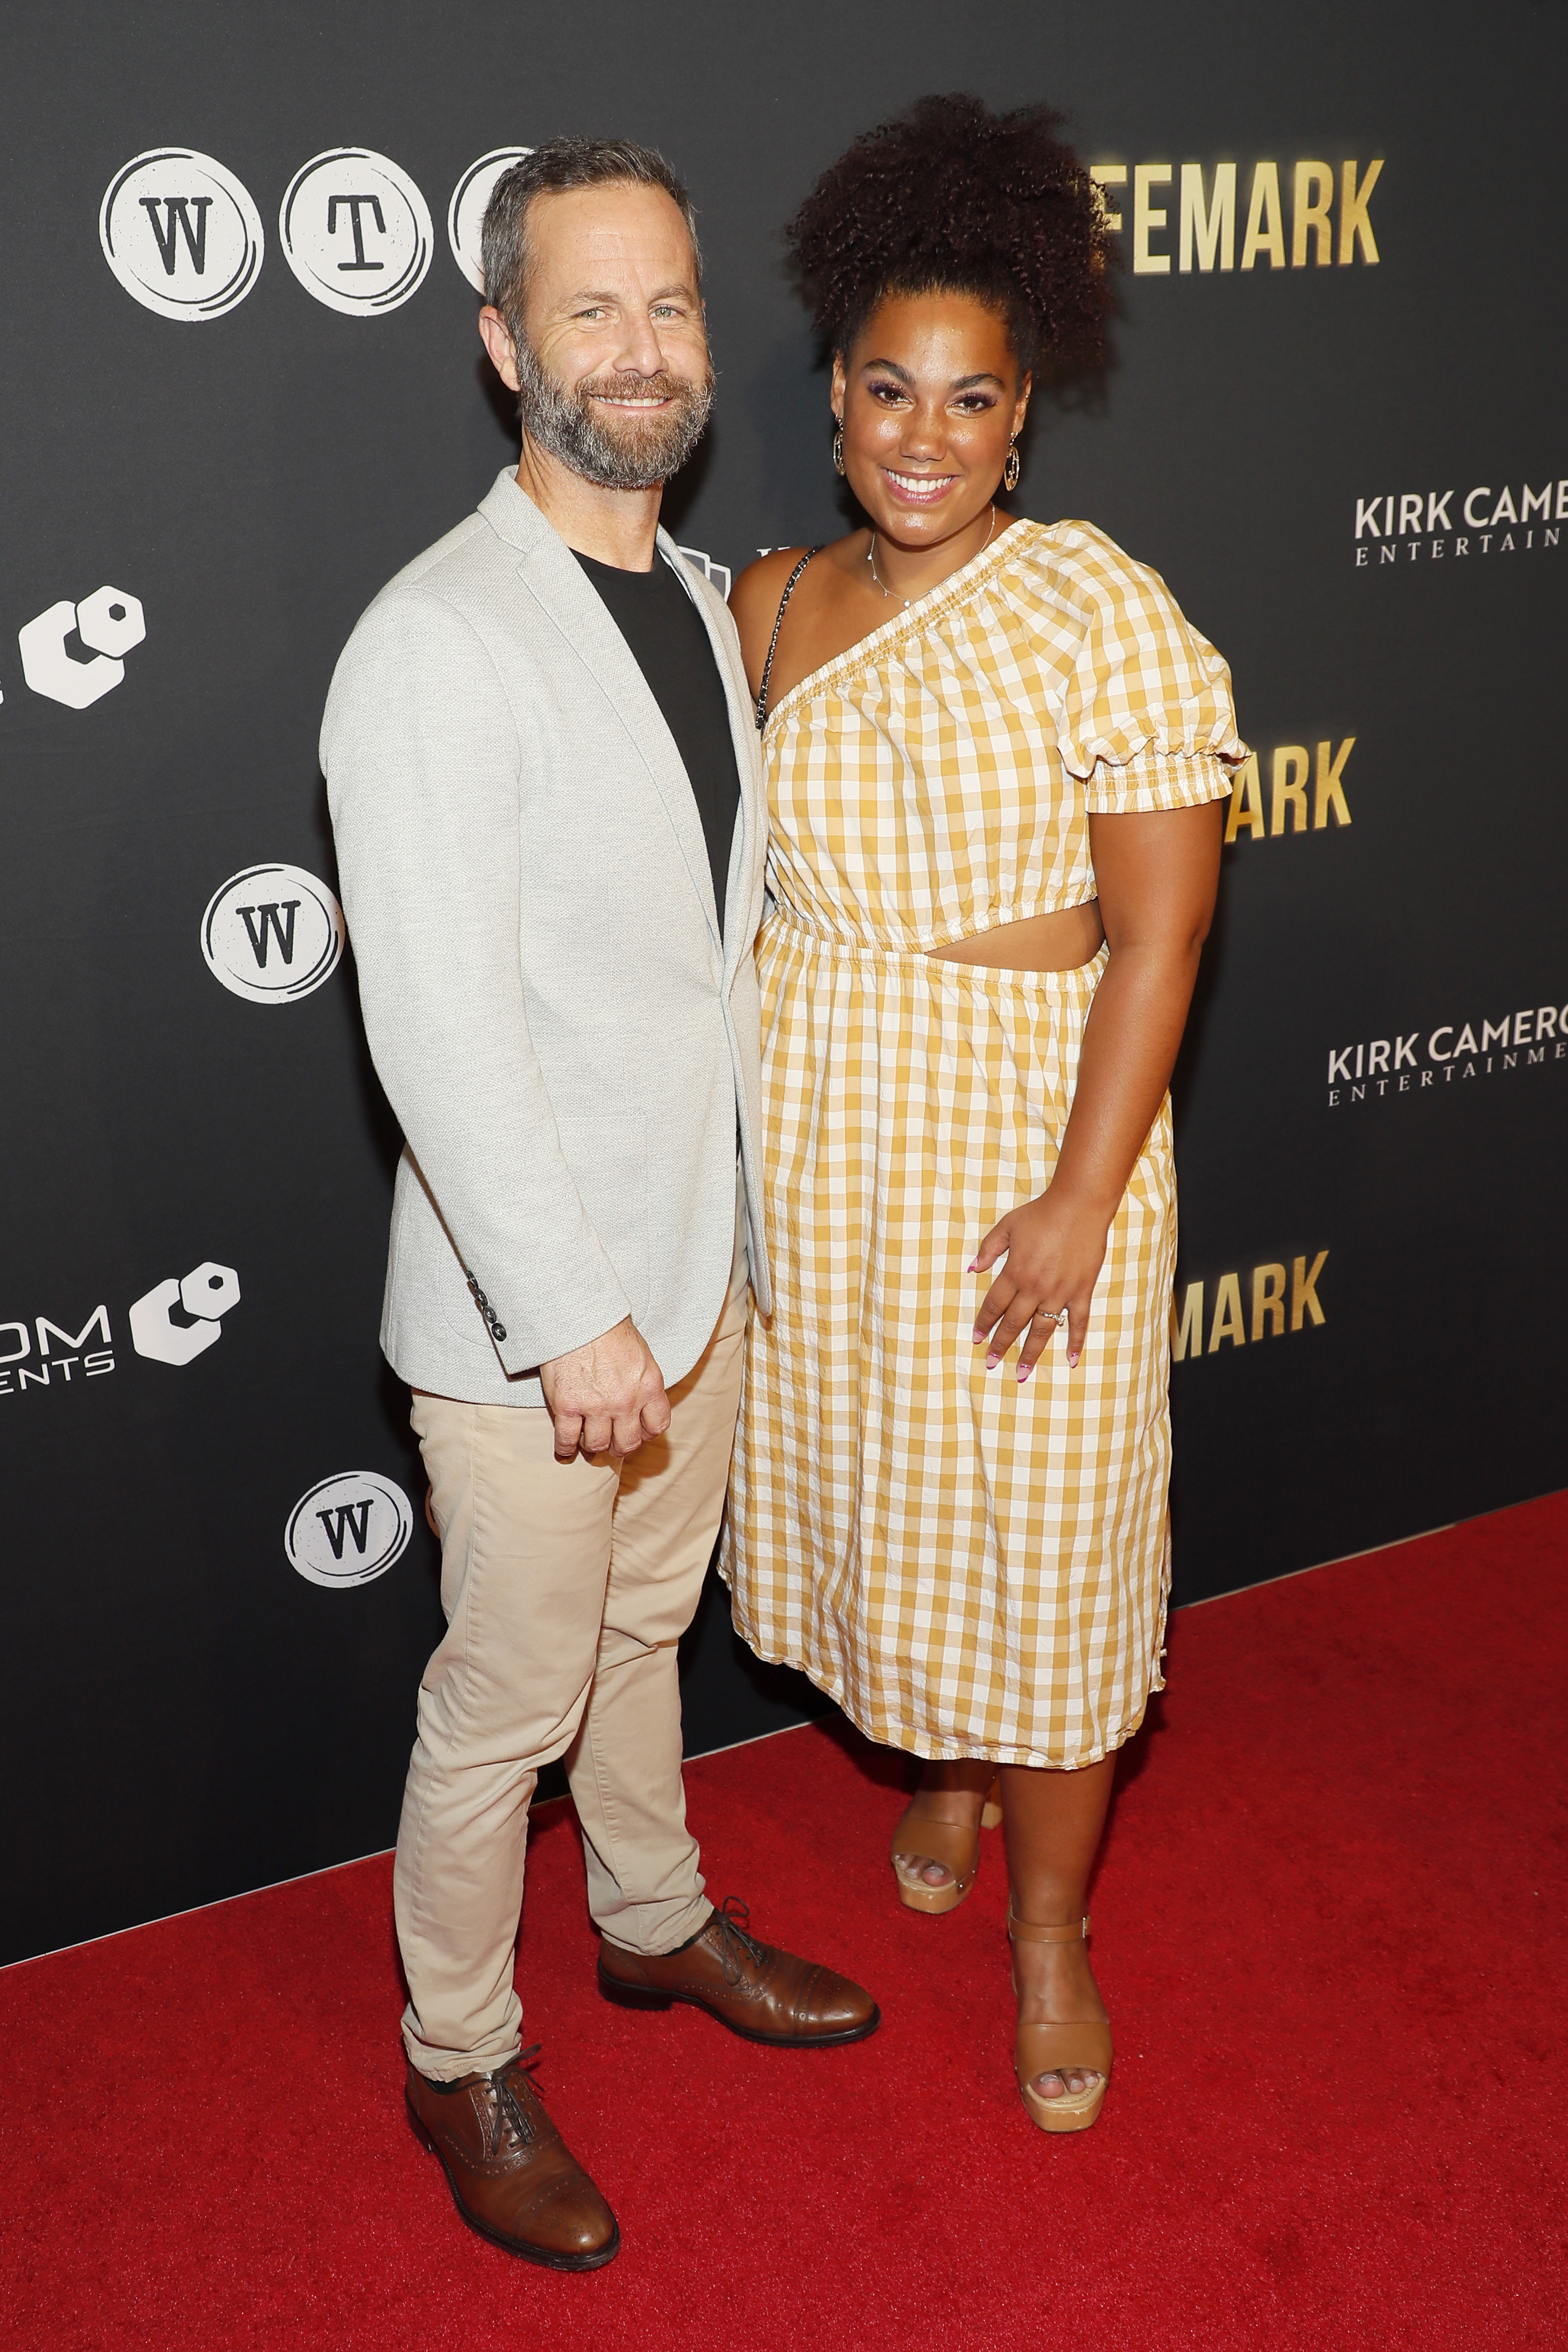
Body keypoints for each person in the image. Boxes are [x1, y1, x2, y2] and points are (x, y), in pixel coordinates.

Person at [321, 136, 876, 2271]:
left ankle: (646, 1918)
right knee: (506, 1700)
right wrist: (571, 1316)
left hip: (690, 1274)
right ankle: (457, 2048)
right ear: (501, 345)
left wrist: (702, 1271)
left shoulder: (693, 601)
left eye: (669, 308)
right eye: (589, 310)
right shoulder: (435, 642)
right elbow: (439, 1033)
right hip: (536, 1320)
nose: (639, 350)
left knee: (650, 1634)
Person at [723, 94, 1245, 2136]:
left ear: (1021, 419)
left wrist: (1077, 1199)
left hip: (1027, 1141)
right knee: (902, 1511)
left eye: (971, 398)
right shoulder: (767, 607)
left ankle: (1049, 1935)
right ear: (837, 401)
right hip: (830, 1143)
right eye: (886, 390)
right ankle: (942, 1755)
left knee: (1049, 1542)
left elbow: (1160, 940)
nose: (923, 433)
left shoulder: (1096, 605)